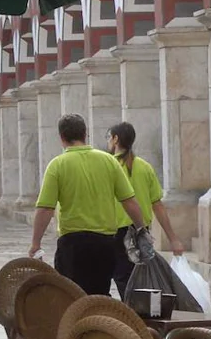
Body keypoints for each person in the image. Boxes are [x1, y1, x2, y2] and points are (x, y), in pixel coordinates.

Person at [29, 114, 146, 296]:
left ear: (61, 138)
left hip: (72, 244)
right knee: (99, 295)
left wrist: (36, 243)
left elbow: (45, 209)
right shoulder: (108, 161)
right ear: (86, 134)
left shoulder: (57, 165)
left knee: (70, 297)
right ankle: (96, 323)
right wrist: (141, 229)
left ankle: (76, 324)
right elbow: (129, 201)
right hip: (104, 243)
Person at [107, 122, 185, 297]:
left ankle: (131, 316)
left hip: (117, 232)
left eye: (109, 137)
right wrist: (173, 238)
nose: (108, 142)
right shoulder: (145, 167)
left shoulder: (108, 166)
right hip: (141, 231)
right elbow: (157, 205)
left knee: (123, 278)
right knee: (142, 280)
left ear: (116, 139)